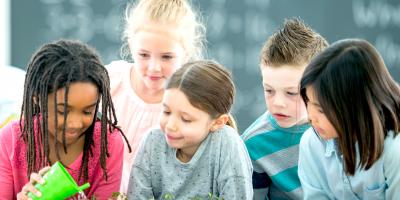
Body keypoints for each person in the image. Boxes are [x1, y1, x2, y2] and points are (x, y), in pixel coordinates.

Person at [0, 39, 130, 199]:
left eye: (88, 111)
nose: (75, 123)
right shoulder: (11, 140)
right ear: (37, 99)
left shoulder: (108, 143)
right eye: (62, 111)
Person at [106, 0, 206, 192]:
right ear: (130, 45)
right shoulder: (109, 82)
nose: (154, 67)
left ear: (186, 55)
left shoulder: (192, 106)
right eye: (143, 55)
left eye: (167, 57)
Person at [127, 60, 253, 199]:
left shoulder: (227, 143)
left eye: (186, 119)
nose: (170, 125)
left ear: (217, 122)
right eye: (166, 111)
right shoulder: (152, 141)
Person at [299, 39, 400, 199]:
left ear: (354, 106)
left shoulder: (395, 148)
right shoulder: (311, 143)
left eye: (321, 109)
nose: (311, 117)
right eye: (308, 102)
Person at [241, 18, 328, 199]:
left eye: (291, 93)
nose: (278, 103)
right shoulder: (253, 144)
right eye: (269, 90)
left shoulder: (341, 130)